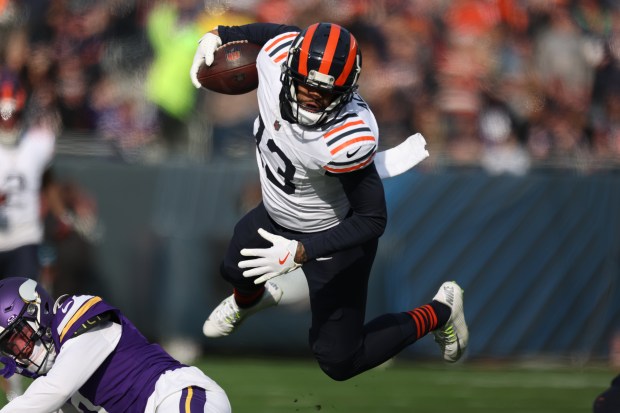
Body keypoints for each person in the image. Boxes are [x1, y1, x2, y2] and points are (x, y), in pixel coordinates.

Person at [190, 22, 469, 381]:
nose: (310, 96)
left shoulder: (346, 137)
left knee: (340, 361)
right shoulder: (276, 60)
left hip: (333, 236)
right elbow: (283, 33)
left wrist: (301, 251)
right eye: (305, 83)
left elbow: (372, 219)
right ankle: (252, 300)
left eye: (325, 91)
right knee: (233, 270)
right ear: (291, 66)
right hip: (277, 212)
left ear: (347, 89)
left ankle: (440, 313)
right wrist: (219, 34)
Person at [0, 276, 231, 412]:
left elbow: (56, 390)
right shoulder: (50, 384)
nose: (19, 350)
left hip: (176, 395)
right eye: (9, 347)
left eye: (17, 335)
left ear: (38, 311)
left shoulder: (74, 314)